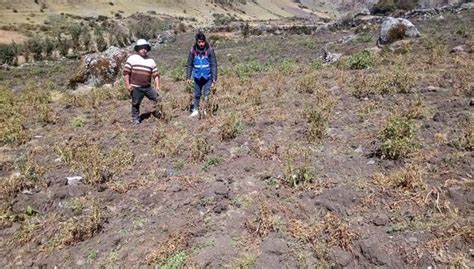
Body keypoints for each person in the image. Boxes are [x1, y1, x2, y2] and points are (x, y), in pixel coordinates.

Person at [123, 39, 161, 125]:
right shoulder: (132, 58)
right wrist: (128, 85)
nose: (143, 50)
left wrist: (157, 86)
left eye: (145, 48)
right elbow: (126, 73)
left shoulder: (151, 61)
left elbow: (156, 75)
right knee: (135, 103)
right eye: (141, 48)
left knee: (158, 99)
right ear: (137, 49)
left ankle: (159, 113)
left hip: (147, 87)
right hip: (136, 87)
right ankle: (135, 119)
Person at [186, 31, 218, 117]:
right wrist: (188, 77)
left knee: (206, 94)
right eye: (199, 42)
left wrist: (214, 77)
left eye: (203, 42)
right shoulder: (192, 51)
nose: (201, 44)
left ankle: (205, 110)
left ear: (205, 41)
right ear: (196, 42)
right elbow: (189, 64)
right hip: (197, 76)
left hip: (208, 77)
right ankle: (196, 109)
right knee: (197, 94)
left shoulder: (210, 50)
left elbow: (213, 64)